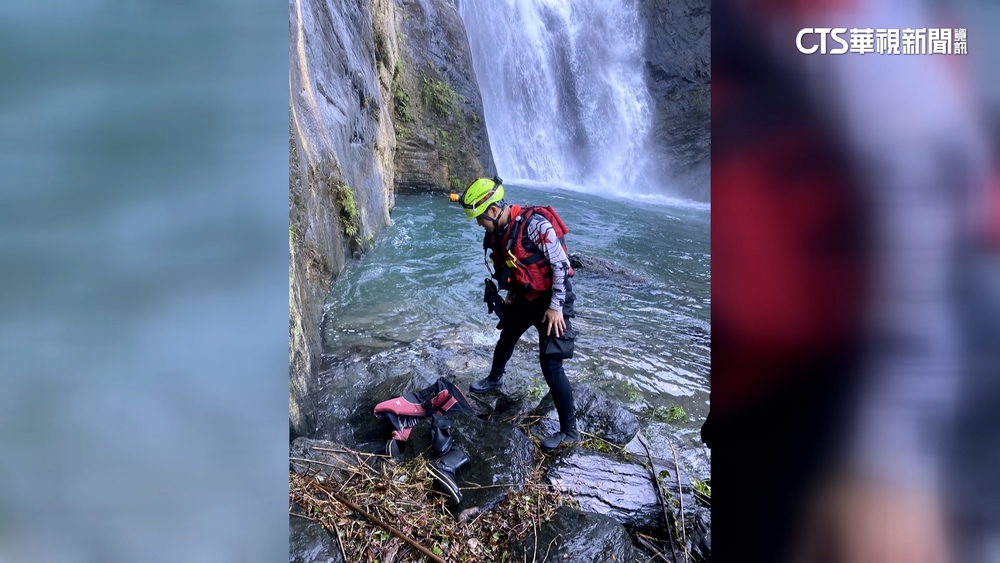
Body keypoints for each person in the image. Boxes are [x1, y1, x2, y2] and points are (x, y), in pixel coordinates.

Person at [458, 176, 580, 452]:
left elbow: (561, 265)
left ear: (492, 210)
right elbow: (511, 264)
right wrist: (511, 292)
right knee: (507, 335)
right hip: (525, 297)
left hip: (551, 300)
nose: (479, 224)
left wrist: (556, 307)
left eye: (480, 217)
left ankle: (570, 432)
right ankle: (495, 378)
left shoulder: (536, 225)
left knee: (551, 365)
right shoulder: (497, 231)